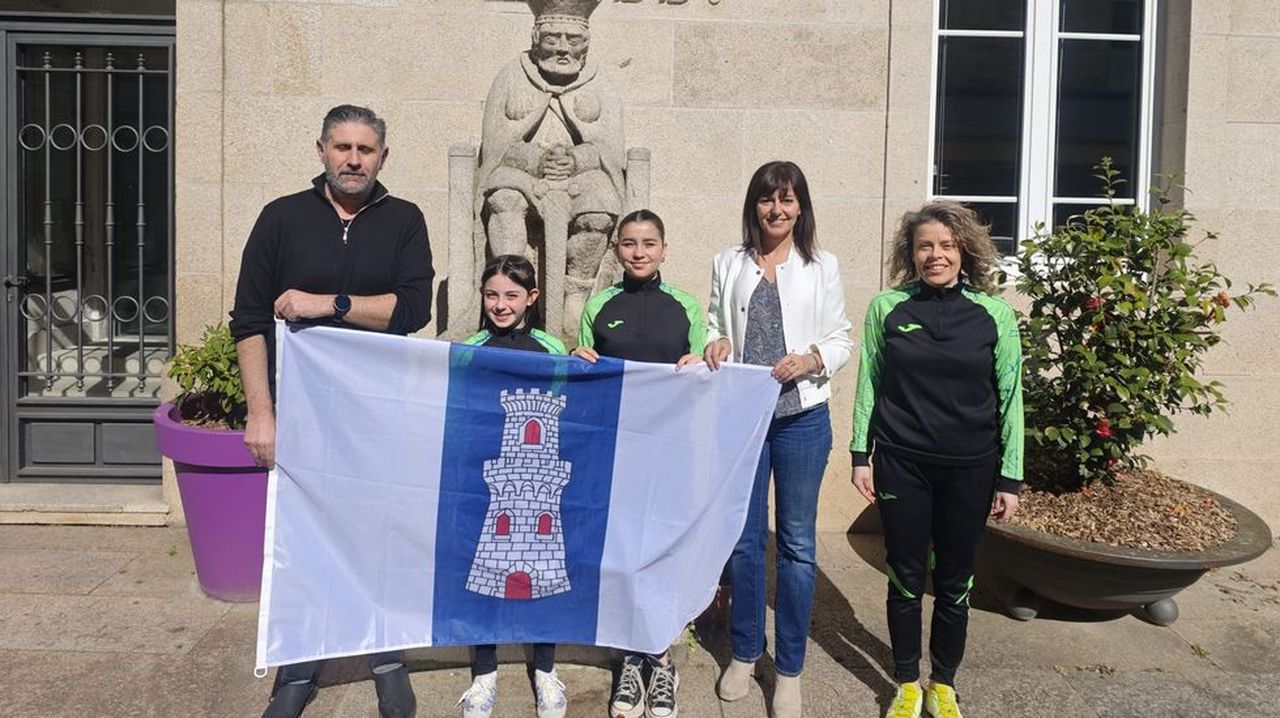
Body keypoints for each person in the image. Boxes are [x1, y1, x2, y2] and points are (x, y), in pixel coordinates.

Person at [228, 104, 434, 718]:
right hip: (303, 410)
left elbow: (412, 309)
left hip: (379, 410)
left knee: (382, 531)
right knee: (303, 532)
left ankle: (387, 656)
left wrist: (329, 304)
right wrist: (260, 412)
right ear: (320, 149)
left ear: (382, 158)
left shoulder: (404, 220)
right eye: (341, 147)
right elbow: (248, 319)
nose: (352, 159)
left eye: (364, 150)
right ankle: (299, 663)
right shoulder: (280, 218)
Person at [849, 202, 1022, 718]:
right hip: (903, 462)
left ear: (964, 251)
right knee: (903, 574)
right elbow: (869, 385)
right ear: (912, 252)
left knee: (955, 578)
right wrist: (862, 454)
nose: (936, 255)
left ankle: (943, 682)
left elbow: (1011, 396)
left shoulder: (995, 314)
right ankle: (906, 680)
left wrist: (1010, 477)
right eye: (925, 245)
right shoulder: (887, 308)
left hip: (971, 465)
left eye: (946, 245)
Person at [703, 160, 853, 718]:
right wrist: (716, 342)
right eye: (768, 200)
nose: (777, 210)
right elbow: (715, 324)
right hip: (745, 419)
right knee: (744, 541)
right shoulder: (729, 262)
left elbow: (841, 337)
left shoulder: (822, 265)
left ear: (800, 207)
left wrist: (813, 357)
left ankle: (788, 668)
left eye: (787, 200)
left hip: (802, 419)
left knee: (796, 545)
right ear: (755, 206)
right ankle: (745, 651)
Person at [570, 208, 704, 718]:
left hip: (671, 452)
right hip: (617, 450)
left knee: (666, 551)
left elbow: (705, 374)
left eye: (649, 243)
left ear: (664, 250)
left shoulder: (686, 305)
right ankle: (631, 656)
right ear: (617, 250)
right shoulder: (600, 305)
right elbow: (583, 368)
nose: (639, 252)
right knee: (623, 552)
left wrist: (701, 362)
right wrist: (577, 359)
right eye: (629, 243)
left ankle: (661, 656)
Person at [456, 254, 567, 718]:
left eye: (512, 295)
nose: (501, 305)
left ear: (531, 298)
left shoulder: (551, 349)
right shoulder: (468, 348)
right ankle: (485, 672)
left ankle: (546, 669)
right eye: (492, 295)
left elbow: (574, 402)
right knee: (484, 578)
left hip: (541, 482)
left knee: (541, 574)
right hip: (487, 479)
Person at [477, 0, 624, 334]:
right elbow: (496, 142)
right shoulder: (511, 77)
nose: (562, 48)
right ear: (535, 36)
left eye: (573, 40)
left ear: (586, 43)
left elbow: (611, 150)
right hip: (520, 171)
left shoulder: (600, 85)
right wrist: (534, 159)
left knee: (600, 212)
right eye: (553, 38)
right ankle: (512, 294)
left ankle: (577, 296)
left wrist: (577, 159)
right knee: (505, 199)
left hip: (584, 175)